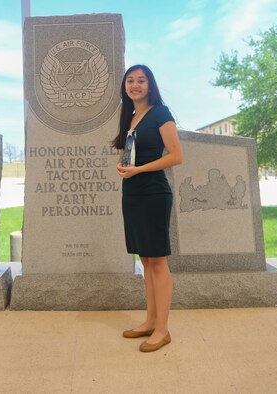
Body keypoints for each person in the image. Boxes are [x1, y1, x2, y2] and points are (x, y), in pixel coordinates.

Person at [112, 64, 182, 352]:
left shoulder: (161, 114)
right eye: (130, 81)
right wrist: (124, 167)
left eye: (141, 80)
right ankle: (150, 321)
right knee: (145, 261)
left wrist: (139, 169)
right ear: (125, 87)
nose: (135, 85)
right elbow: (125, 152)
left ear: (150, 85)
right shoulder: (128, 117)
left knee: (158, 261)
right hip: (132, 193)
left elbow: (176, 156)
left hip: (154, 193)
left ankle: (163, 330)